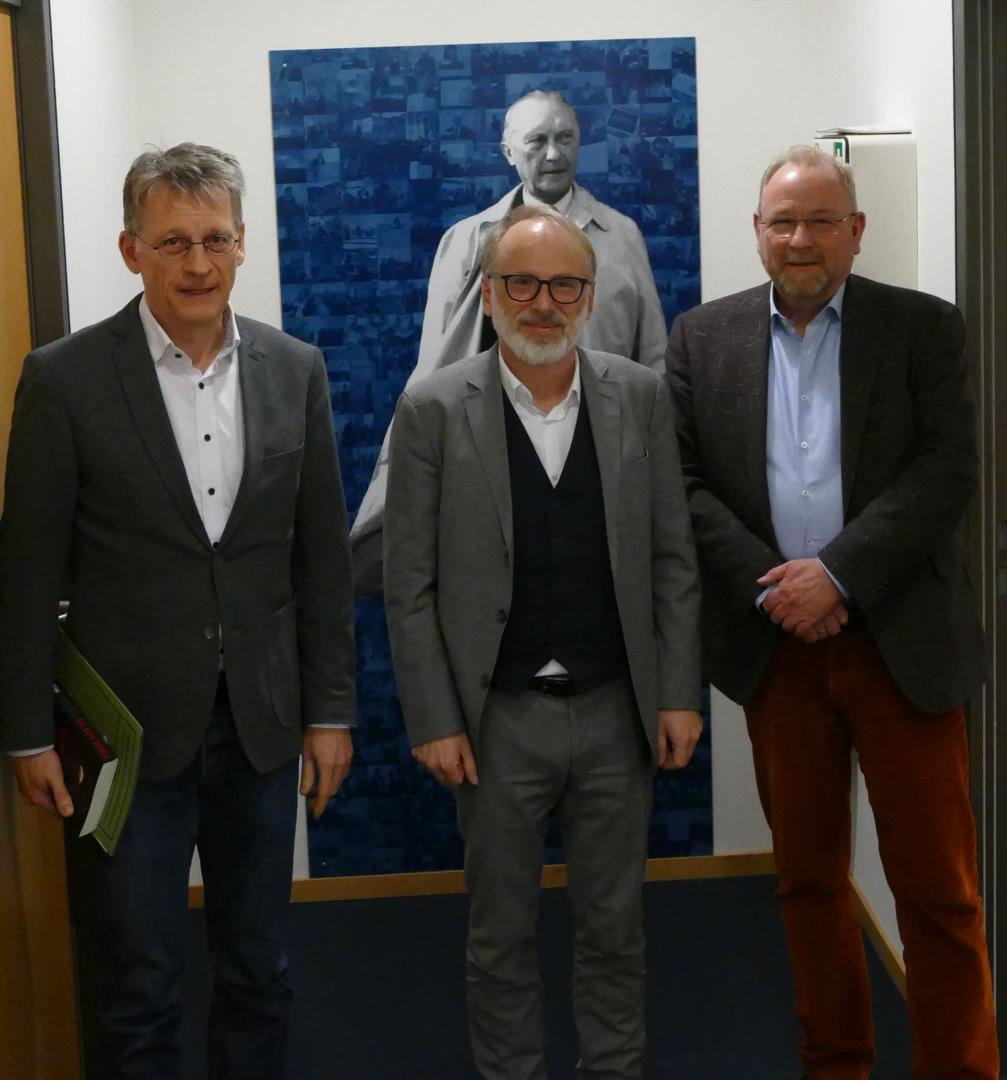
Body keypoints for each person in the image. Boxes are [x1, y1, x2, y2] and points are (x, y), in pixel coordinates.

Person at [0, 143, 357, 1079]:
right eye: (173, 243)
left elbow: (322, 560)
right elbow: (26, 571)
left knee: (258, 976)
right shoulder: (64, 378)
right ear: (131, 251)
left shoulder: (295, 369)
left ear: (241, 245)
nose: (198, 264)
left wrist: (330, 711)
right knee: (137, 991)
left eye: (215, 240)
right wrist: (27, 734)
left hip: (261, 733)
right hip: (123, 740)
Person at [666, 145, 998, 1080]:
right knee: (808, 883)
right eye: (782, 221)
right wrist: (779, 586)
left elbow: (946, 470)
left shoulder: (923, 328)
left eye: (819, 220)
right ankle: (836, 1064)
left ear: (855, 230)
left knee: (937, 893)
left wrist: (838, 576)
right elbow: (684, 486)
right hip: (778, 650)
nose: (799, 239)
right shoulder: (700, 338)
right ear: (757, 232)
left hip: (902, 648)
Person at [384, 204, 701, 1079]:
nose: (543, 303)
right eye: (521, 283)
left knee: (615, 931)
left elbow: (672, 559)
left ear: (590, 298)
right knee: (499, 939)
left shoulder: (638, 397)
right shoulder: (432, 408)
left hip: (616, 714)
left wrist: (678, 693)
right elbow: (408, 585)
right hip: (495, 724)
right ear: (488, 295)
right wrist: (434, 718)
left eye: (564, 285)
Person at [351, 90, 667, 591]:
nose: (553, 154)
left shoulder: (622, 237)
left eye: (565, 138)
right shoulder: (466, 242)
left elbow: (654, 361)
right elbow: (434, 365)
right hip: (489, 469)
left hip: (601, 462)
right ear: (508, 152)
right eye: (537, 141)